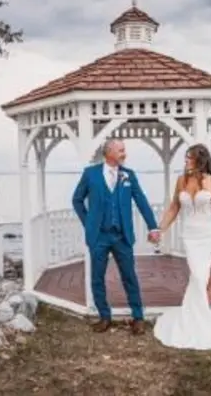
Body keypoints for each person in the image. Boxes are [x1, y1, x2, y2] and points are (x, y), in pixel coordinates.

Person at [152, 143, 211, 350]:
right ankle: (198, 317)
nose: (186, 161)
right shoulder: (181, 180)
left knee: (206, 277)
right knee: (197, 275)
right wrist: (160, 229)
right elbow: (174, 207)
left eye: (189, 157)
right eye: (186, 157)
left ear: (201, 160)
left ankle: (204, 318)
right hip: (190, 236)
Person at [72, 139, 160, 335]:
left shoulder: (129, 175)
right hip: (99, 237)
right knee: (97, 277)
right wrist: (88, 222)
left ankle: (138, 317)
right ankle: (104, 316)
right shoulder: (90, 174)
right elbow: (77, 200)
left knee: (129, 276)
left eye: (123, 150)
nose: (124, 154)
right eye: (120, 150)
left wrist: (153, 226)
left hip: (122, 236)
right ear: (108, 152)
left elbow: (141, 201)